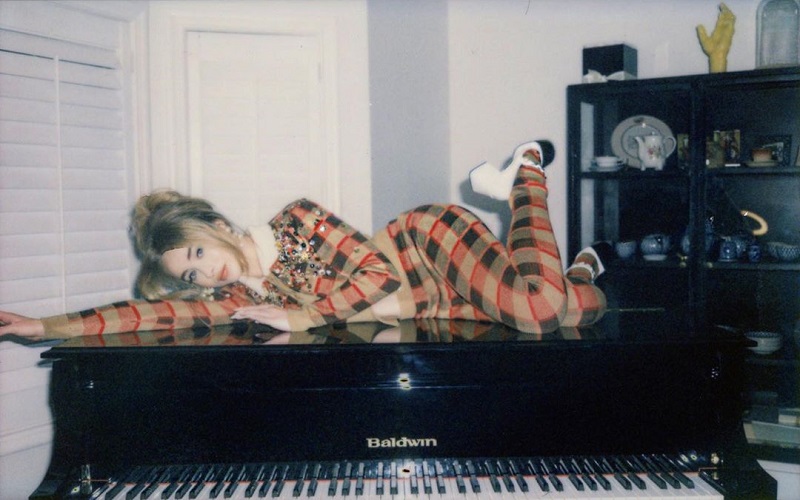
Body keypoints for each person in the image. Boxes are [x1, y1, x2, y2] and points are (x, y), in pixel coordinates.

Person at [0, 140, 608, 341]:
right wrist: (48, 325)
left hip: (425, 243)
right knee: (580, 306)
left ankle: (525, 174)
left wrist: (306, 316)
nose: (203, 274)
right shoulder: (246, 295)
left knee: (536, 311)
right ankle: (582, 269)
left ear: (217, 227)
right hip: (434, 302)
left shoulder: (296, 220)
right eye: (190, 273)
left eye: (197, 253)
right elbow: (158, 315)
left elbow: (379, 276)